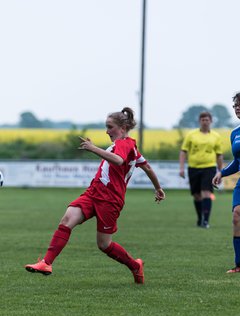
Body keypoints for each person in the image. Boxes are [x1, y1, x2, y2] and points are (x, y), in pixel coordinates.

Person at [25, 107, 165, 284]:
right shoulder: (127, 148)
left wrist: (93, 148)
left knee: (104, 245)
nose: (107, 131)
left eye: (110, 127)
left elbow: (118, 160)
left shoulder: (125, 144)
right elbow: (148, 167)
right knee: (67, 220)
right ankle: (46, 263)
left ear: (122, 128)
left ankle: (135, 265)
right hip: (94, 193)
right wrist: (158, 188)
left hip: (110, 200)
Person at [179, 111, 223, 228]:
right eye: (203, 120)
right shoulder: (191, 135)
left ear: (211, 121)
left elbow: (219, 155)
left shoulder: (216, 136)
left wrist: (221, 171)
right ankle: (200, 218)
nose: (205, 122)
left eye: (207, 120)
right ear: (199, 121)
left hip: (209, 167)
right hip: (193, 167)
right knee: (197, 195)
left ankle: (206, 221)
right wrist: (182, 168)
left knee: (206, 193)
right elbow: (183, 151)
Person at [213, 92, 240, 273]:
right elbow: (237, 162)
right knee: (236, 216)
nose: (237, 108)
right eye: (235, 106)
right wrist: (221, 173)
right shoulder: (235, 133)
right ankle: (239, 265)